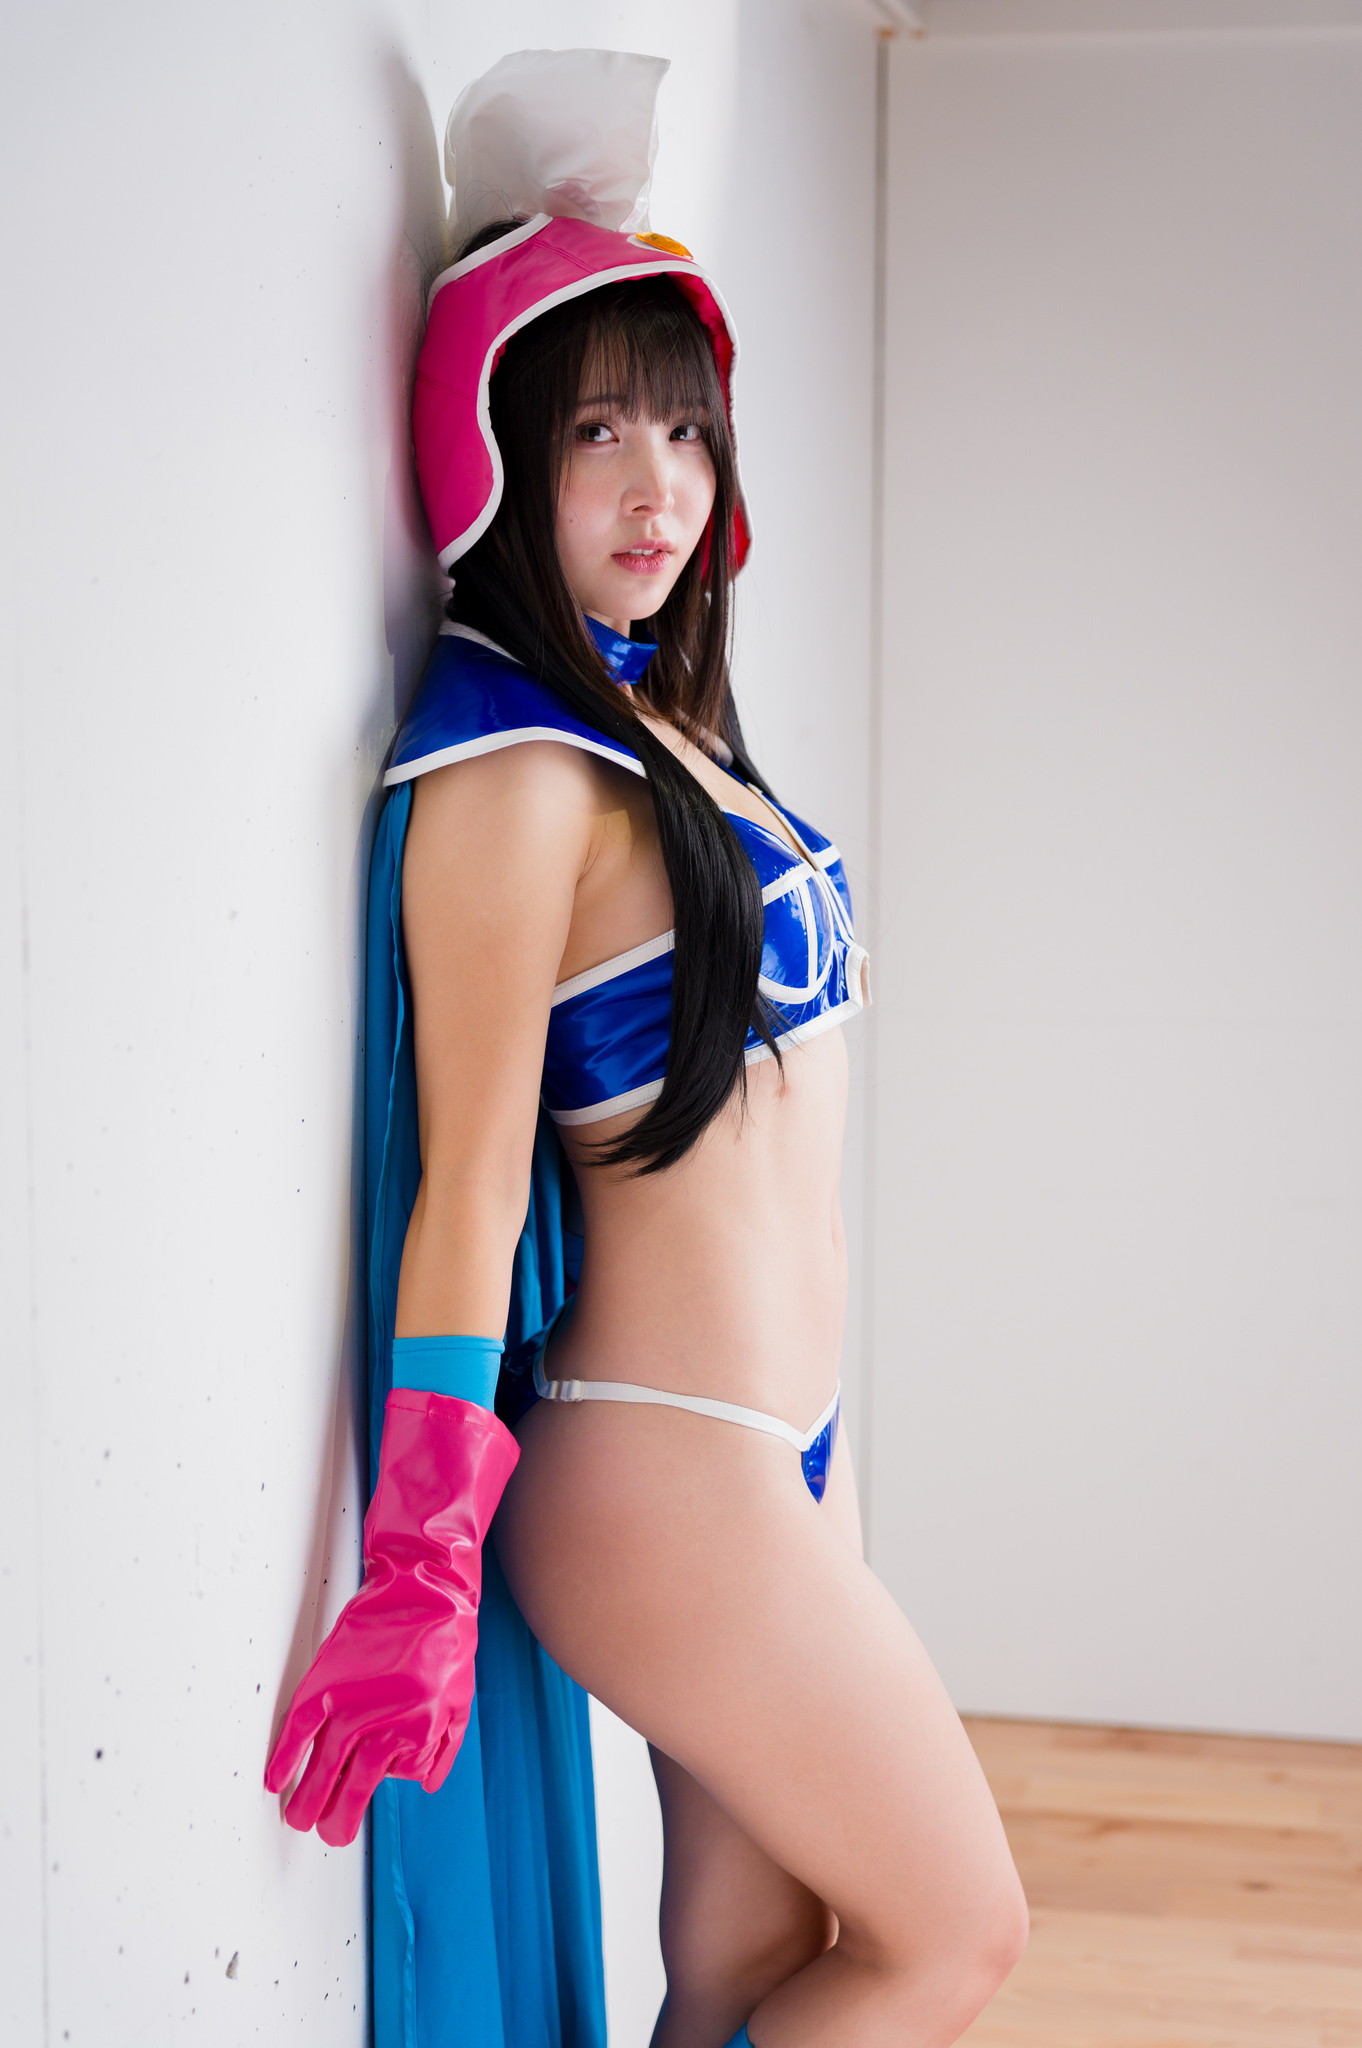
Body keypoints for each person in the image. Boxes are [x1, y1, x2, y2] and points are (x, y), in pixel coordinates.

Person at [267, 50, 1028, 2048]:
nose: (653, 486)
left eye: (683, 434)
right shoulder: (511, 774)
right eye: (595, 428)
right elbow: (462, 1181)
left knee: (753, 1970)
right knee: (956, 1938)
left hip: (784, 1455)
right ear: (493, 451)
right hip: (659, 1461)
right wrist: (420, 1562)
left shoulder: (670, 737)